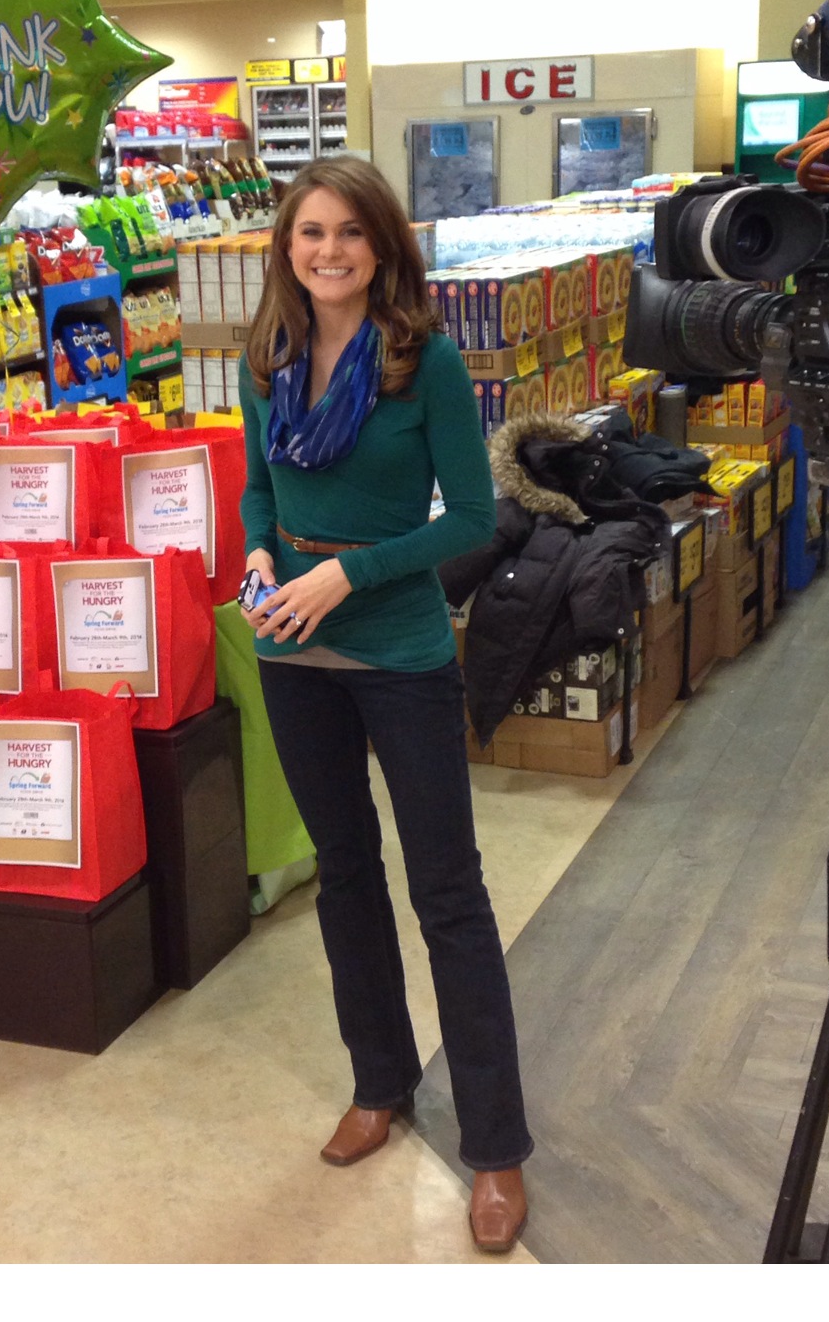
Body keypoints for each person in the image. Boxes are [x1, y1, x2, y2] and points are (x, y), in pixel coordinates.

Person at [238, 157, 528, 1254]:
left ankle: (496, 1145)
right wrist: (262, 553)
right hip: (291, 649)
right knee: (345, 876)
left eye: (350, 233)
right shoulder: (266, 359)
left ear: (383, 247)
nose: (328, 251)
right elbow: (261, 482)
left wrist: (346, 577)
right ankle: (380, 1083)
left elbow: (475, 521)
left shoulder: (427, 363)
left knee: (448, 892)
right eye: (311, 232)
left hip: (397, 652)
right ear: (288, 246)